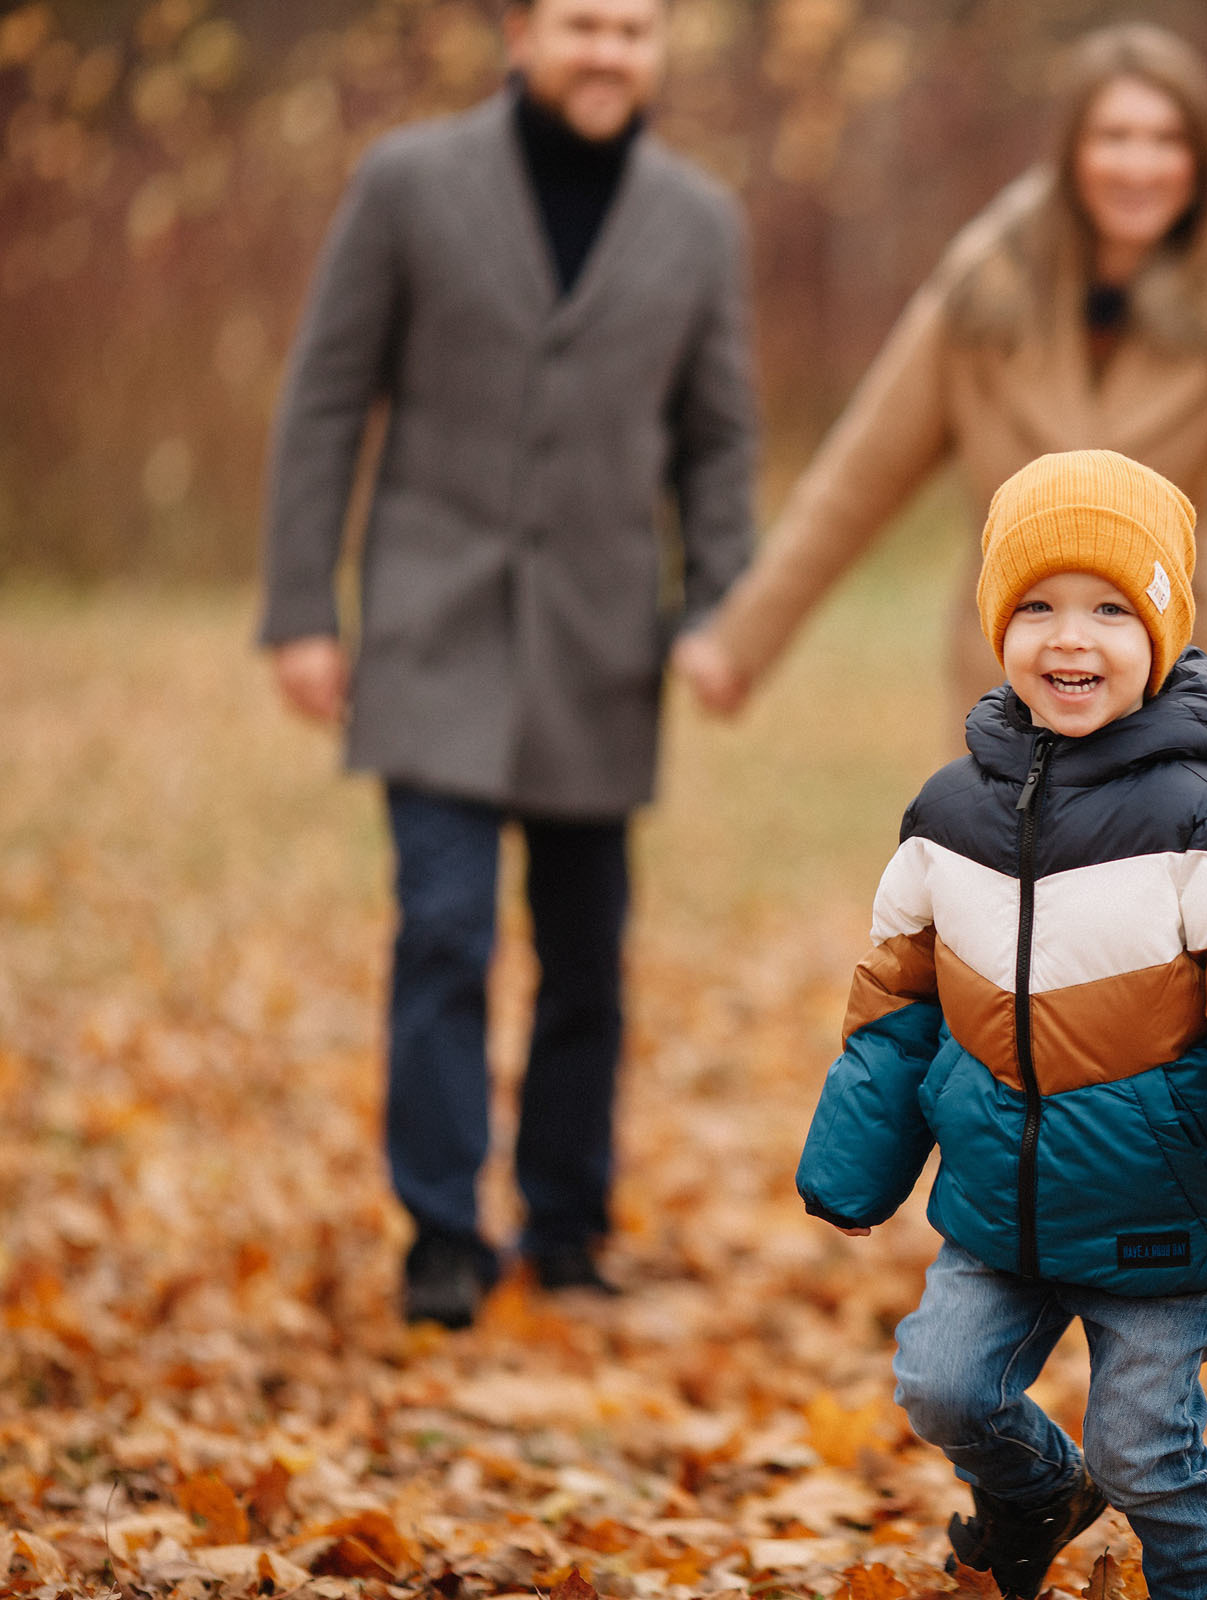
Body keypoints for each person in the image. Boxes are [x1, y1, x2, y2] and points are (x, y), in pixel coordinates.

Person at [256, 0, 757, 1328]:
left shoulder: (698, 220)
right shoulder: (409, 183)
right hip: (434, 624)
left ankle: (568, 1221)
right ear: (521, 33)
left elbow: (718, 441)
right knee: (444, 930)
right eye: (584, 23)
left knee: (587, 952)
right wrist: (302, 604)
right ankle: (438, 1229)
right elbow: (324, 395)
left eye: (636, 30)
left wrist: (725, 606)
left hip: (603, 639)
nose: (610, 52)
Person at [796, 450, 1207, 1600]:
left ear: (1162, 633)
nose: (1071, 638)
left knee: (1145, 1455)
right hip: (1001, 1202)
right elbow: (897, 1002)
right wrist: (855, 1166)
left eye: (1111, 608)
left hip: (1161, 1217)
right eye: (1039, 607)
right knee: (943, 1387)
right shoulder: (947, 817)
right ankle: (1037, 1489)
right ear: (997, 626)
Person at [676, 22, 1207, 738]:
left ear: (1203, 161)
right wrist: (741, 642)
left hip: (1187, 686)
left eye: (1166, 140)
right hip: (1015, 689)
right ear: (1070, 156)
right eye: (1114, 138)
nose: (1139, 166)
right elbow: (859, 476)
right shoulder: (979, 293)